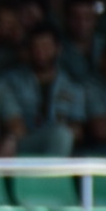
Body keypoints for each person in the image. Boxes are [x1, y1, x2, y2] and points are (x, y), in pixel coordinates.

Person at [7, 25, 87, 157]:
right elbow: (9, 121)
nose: (40, 52)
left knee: (62, 135)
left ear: (58, 49)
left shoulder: (73, 86)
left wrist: (67, 130)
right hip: (24, 143)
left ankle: (51, 171)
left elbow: (78, 129)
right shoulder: (12, 81)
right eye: (36, 47)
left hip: (59, 143)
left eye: (46, 47)